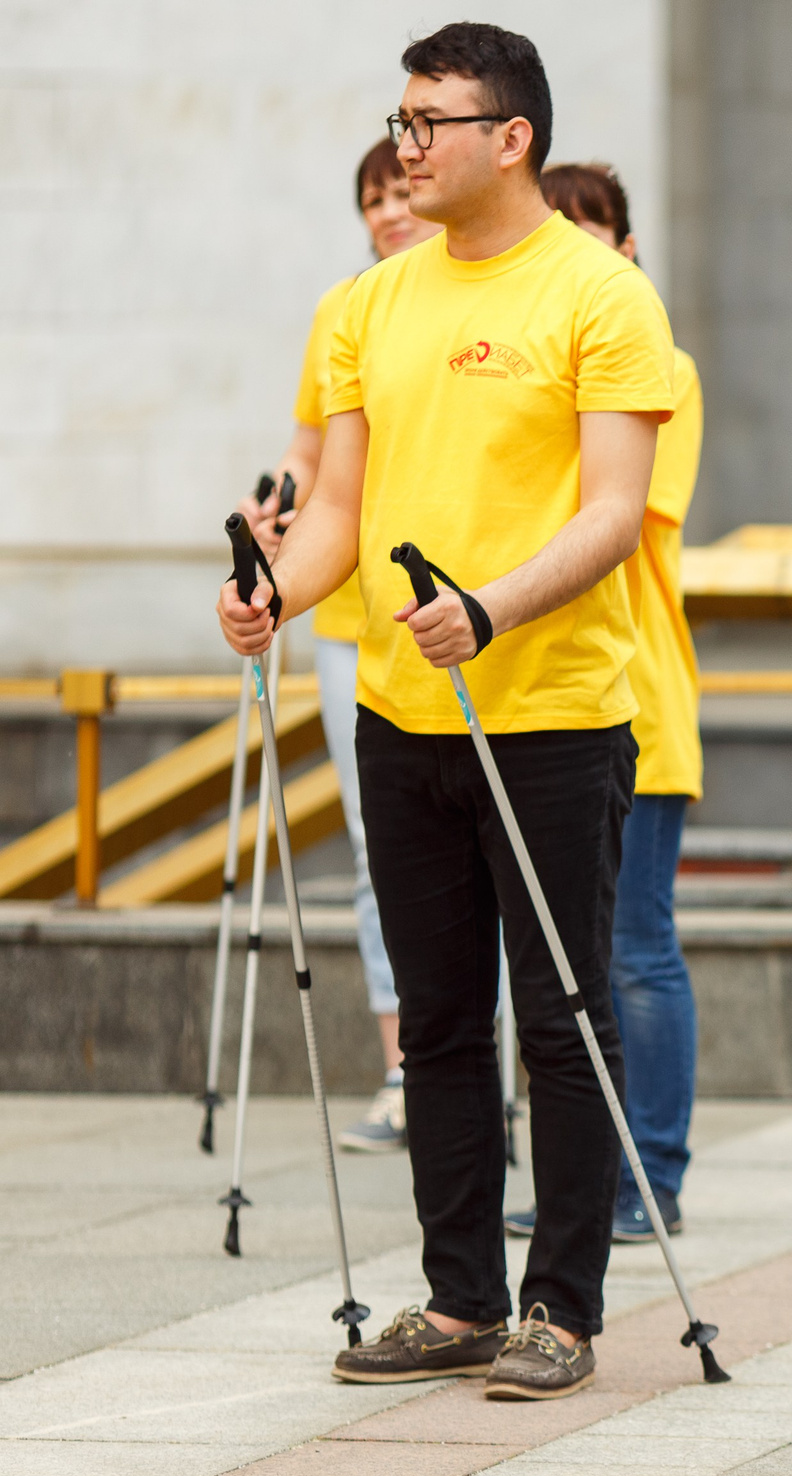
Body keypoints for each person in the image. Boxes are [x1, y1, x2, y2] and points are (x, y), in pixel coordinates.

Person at [216, 22, 674, 1398]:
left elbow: (611, 513)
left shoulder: (598, 297)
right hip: (404, 713)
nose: (404, 147)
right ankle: (461, 1294)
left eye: (431, 123)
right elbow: (341, 514)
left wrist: (491, 605)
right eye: (400, 120)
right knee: (435, 1018)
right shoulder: (367, 305)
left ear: (509, 138)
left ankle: (565, 1305)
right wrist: (275, 595)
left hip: (550, 706)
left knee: (563, 1012)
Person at [503, 162, 704, 1243]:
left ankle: (652, 1174)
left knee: (635, 949)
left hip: (633, 696)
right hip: (528, 691)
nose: (574, 247)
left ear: (624, 249)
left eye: (593, 229)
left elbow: (614, 509)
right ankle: (590, 1178)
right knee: (560, 965)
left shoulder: (657, 360)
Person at [237, 139, 427, 1154]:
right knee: (376, 853)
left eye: (402, 188)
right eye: (373, 196)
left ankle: (479, 1068)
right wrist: (267, 505)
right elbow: (311, 454)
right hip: (352, 620)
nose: (390, 208)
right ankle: (409, 1072)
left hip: (453, 611)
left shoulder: (465, 299)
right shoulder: (342, 310)